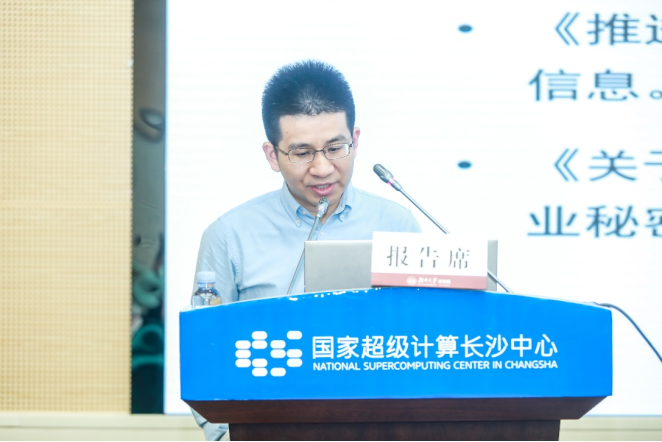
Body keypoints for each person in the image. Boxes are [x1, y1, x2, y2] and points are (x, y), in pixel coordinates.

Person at [192, 60, 421, 440]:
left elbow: (420, 342)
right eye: (302, 153)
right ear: (272, 155)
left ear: (356, 140)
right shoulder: (230, 235)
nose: (322, 168)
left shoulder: (397, 225)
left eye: (336, 148)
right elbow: (206, 354)